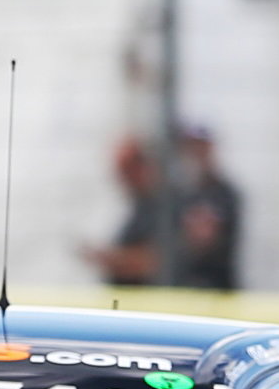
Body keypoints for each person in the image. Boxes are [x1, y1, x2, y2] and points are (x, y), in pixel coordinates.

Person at [80, 137, 159, 286]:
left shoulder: (165, 209)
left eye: (125, 171)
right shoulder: (138, 206)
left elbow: (161, 260)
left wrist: (113, 260)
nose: (121, 179)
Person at [178, 124, 241, 291]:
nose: (195, 152)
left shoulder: (224, 194)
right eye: (191, 146)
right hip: (185, 288)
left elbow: (205, 238)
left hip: (217, 290)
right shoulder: (184, 192)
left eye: (200, 146)